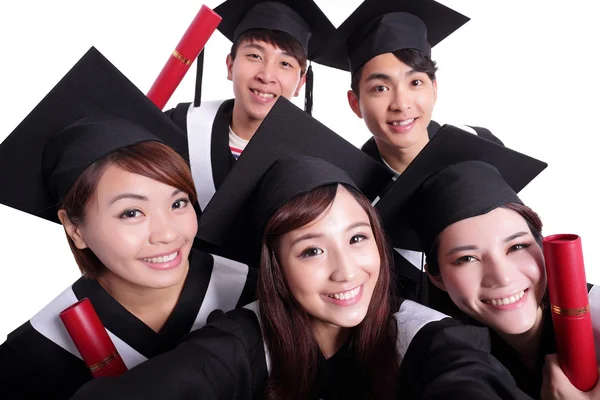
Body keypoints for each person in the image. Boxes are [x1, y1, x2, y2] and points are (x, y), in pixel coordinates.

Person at [72, 97, 530, 399]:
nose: (347, 271)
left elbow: (466, 378)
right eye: (311, 250)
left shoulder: (426, 335)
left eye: (357, 238)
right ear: (276, 267)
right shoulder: (241, 341)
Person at [0, 47, 255, 399]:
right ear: (75, 229)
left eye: (179, 202)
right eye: (131, 212)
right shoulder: (30, 357)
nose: (167, 233)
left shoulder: (255, 295)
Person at [375, 124, 600, 398]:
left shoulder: (594, 319)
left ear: (542, 247)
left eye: (517, 246)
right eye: (467, 258)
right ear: (436, 277)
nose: (502, 277)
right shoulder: (441, 358)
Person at [313, 0, 504, 301]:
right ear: (354, 103)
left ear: (434, 89)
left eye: (415, 82)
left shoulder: (480, 148)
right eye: (380, 88)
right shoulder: (348, 195)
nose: (401, 104)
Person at [164, 0, 335, 212]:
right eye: (254, 56)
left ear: (301, 83)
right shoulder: (179, 127)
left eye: (285, 63)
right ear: (230, 65)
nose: (266, 76)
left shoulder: (318, 160)